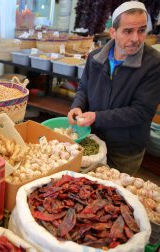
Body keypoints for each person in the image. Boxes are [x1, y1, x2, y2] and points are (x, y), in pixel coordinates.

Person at [68, 1, 160, 175]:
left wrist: (97, 116)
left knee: (113, 196)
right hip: (92, 140)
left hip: (125, 150)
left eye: (141, 30)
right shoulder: (95, 58)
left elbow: (141, 111)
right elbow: (84, 88)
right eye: (128, 31)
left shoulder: (153, 64)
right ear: (113, 32)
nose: (136, 38)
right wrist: (77, 106)